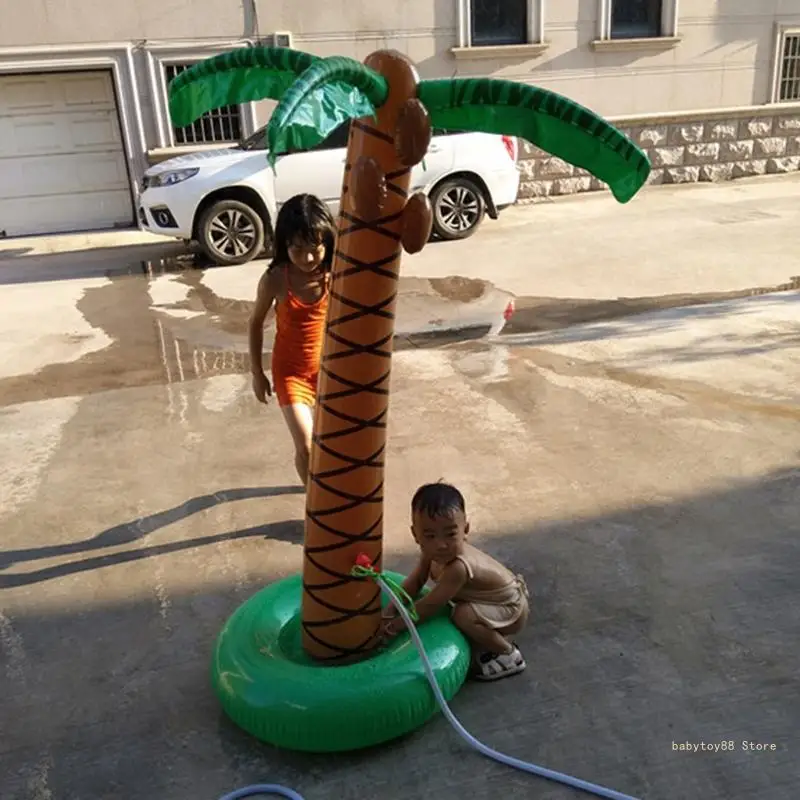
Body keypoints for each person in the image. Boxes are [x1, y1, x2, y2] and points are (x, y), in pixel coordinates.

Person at [383, 481, 531, 681]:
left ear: (465, 529)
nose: (441, 544)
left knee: (462, 615)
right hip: (490, 604)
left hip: (510, 608)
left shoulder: (458, 567)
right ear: (415, 535)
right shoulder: (431, 553)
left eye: (451, 534)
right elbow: (416, 581)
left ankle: (508, 654)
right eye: (430, 535)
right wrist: (390, 610)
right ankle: (484, 636)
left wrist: (396, 626)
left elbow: (431, 605)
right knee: (461, 612)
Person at [248, 193, 336, 484]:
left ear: (327, 243)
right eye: (297, 249)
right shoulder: (275, 279)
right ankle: (315, 503)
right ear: (284, 245)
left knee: (333, 445)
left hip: (329, 371)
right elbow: (255, 323)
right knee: (307, 447)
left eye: (315, 249)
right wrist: (257, 373)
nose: (308, 258)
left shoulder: (336, 274)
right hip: (290, 373)